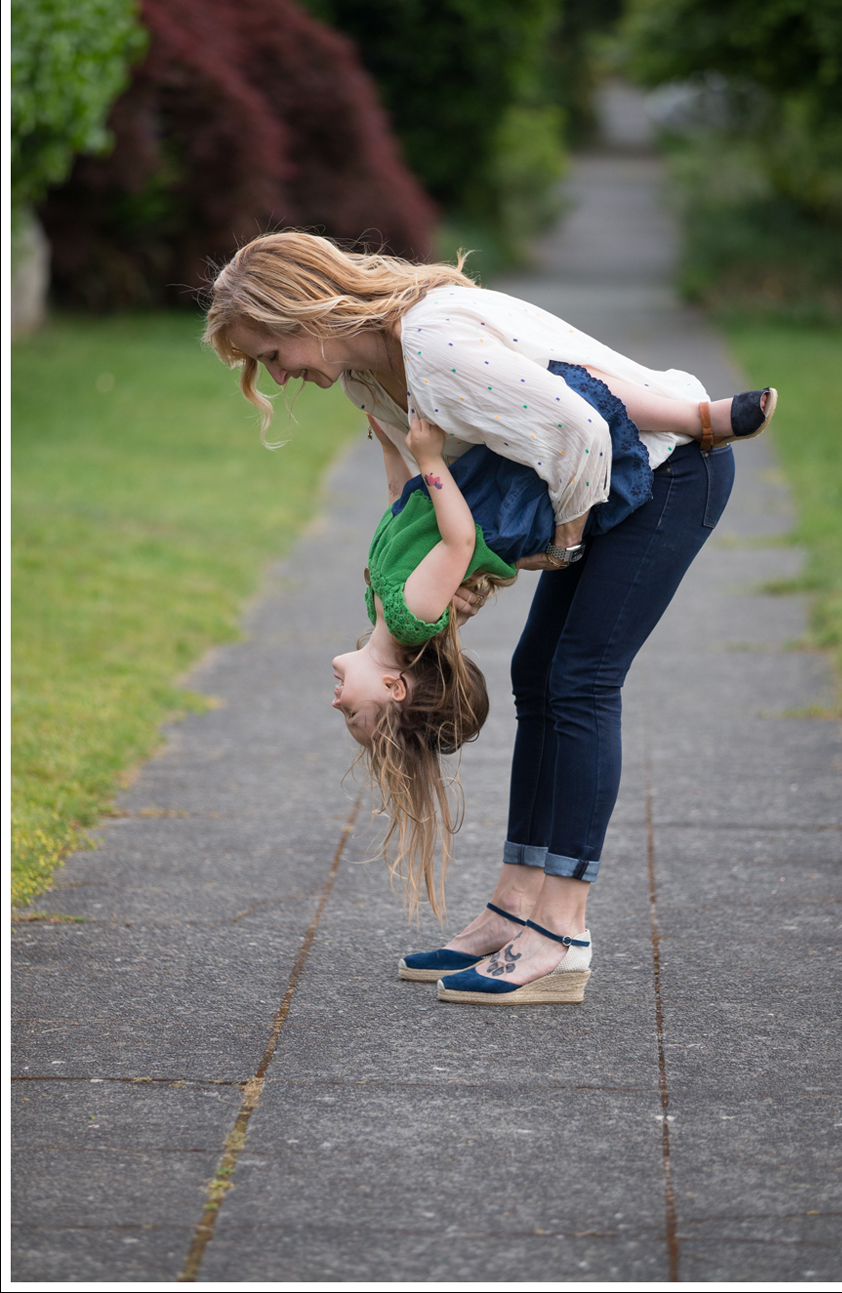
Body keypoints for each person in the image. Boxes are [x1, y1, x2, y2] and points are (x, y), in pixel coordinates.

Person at [204, 231, 776, 1006]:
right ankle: (515, 907)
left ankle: (561, 932)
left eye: (272, 353)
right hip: (601, 479)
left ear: (306, 309)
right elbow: (418, 493)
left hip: (665, 467)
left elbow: (581, 432)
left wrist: (560, 548)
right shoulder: (369, 376)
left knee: (578, 680)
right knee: (535, 673)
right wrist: (449, 575)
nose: (280, 375)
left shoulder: (432, 341)